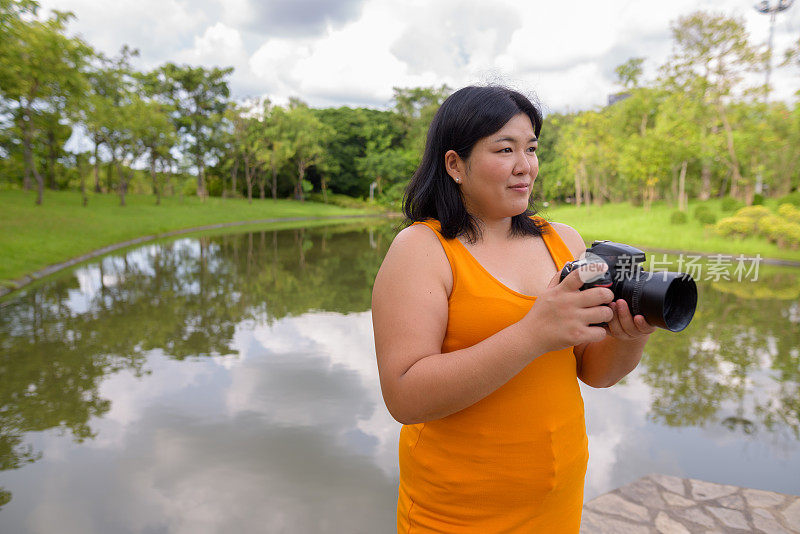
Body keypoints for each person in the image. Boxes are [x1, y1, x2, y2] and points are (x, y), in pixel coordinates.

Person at [371, 85, 656, 533]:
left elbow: (596, 373)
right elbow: (405, 396)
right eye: (505, 149)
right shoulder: (422, 249)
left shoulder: (563, 241)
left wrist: (629, 334)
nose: (525, 166)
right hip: (456, 512)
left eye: (531, 148)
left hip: (557, 500)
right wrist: (532, 333)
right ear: (454, 164)